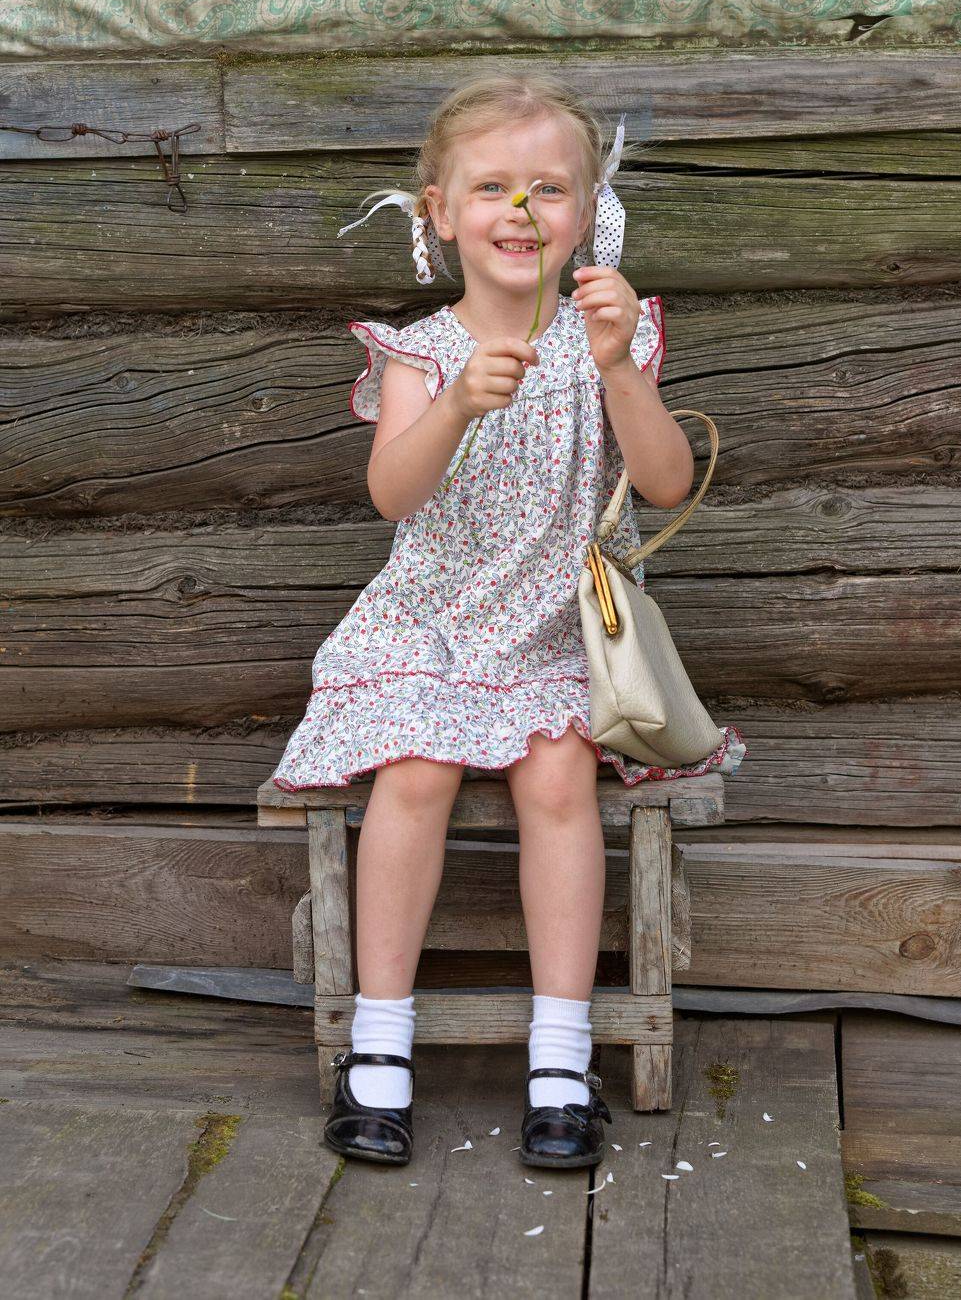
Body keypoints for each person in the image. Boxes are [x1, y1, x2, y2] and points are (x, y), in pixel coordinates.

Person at [271, 71, 746, 1169]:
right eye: (491, 188)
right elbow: (393, 495)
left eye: (549, 189)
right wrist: (454, 407)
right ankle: (379, 1043)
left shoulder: (606, 340)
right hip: (430, 625)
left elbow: (667, 481)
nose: (520, 211)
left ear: (588, 214)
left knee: (556, 775)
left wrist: (619, 367)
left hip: (554, 628)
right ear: (439, 213)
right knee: (415, 770)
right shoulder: (420, 355)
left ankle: (560, 1053)